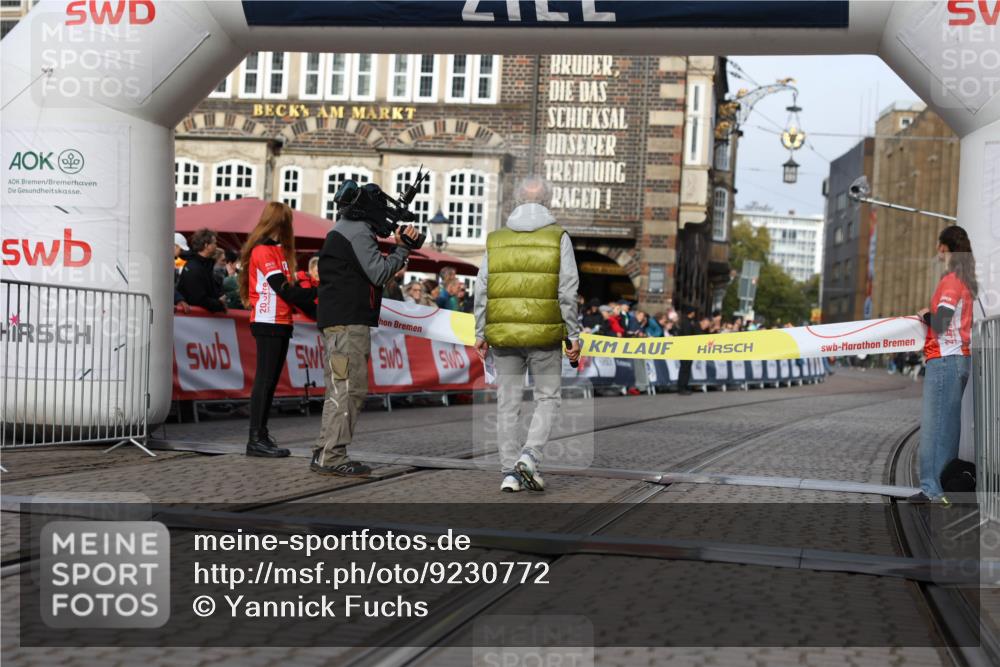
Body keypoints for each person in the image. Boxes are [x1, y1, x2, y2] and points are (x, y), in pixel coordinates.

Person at [474, 176, 580, 494]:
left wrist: (480, 330)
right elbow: (568, 290)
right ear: (547, 202)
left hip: (503, 334)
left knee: (507, 403)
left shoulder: (496, 239)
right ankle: (530, 456)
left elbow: (482, 288)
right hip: (545, 333)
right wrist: (573, 334)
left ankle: (510, 473)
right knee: (547, 397)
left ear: (517, 201)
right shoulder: (558, 237)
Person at [313, 182, 419, 476]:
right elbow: (379, 273)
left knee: (338, 388)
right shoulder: (358, 231)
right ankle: (333, 456)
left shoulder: (342, 229)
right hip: (349, 325)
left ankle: (324, 451)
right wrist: (401, 249)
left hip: (338, 323)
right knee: (350, 389)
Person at [238, 203, 317, 457]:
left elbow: (288, 291)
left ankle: (261, 435)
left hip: (280, 321)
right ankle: (255, 438)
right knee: (265, 380)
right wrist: (319, 293)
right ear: (281, 223)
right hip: (268, 320)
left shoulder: (277, 251)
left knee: (270, 381)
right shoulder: (263, 250)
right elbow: (283, 289)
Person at [910, 225, 978, 505]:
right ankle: (942, 488)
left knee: (934, 428)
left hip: (945, 359)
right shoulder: (964, 280)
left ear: (945, 247)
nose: (937, 251)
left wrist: (925, 314)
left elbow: (940, 323)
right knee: (947, 430)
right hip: (958, 358)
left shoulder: (951, 281)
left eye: (940, 246)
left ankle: (931, 490)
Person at [177, 228, 226, 313]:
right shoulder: (194, 267)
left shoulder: (206, 264)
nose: (216, 246)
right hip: (192, 317)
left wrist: (219, 298)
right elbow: (198, 299)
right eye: (214, 243)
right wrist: (219, 304)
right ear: (206, 245)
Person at [676, 304, 699, 395]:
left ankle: (684, 385)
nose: (694, 313)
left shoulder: (688, 322)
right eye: (693, 312)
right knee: (685, 369)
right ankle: (682, 387)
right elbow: (687, 335)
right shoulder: (686, 323)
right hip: (685, 348)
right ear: (691, 313)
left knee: (686, 368)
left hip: (687, 348)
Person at [173, 233, 191, 313]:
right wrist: (179, 299)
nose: (181, 253)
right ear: (174, 246)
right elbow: (166, 285)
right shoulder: (166, 262)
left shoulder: (170, 261)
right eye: (181, 250)